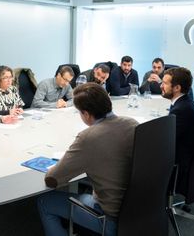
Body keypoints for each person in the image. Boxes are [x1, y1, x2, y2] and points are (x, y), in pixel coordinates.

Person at [37, 83, 138, 236]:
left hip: (109, 219)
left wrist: (63, 161)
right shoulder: (132, 123)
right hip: (137, 212)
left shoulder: (88, 137)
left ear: (86, 114)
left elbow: (52, 180)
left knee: (44, 201)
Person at [161, 67, 194, 196]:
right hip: (190, 157)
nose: (161, 85)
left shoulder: (181, 111)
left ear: (177, 88)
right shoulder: (187, 103)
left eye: (164, 83)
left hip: (180, 163)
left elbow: (165, 142)